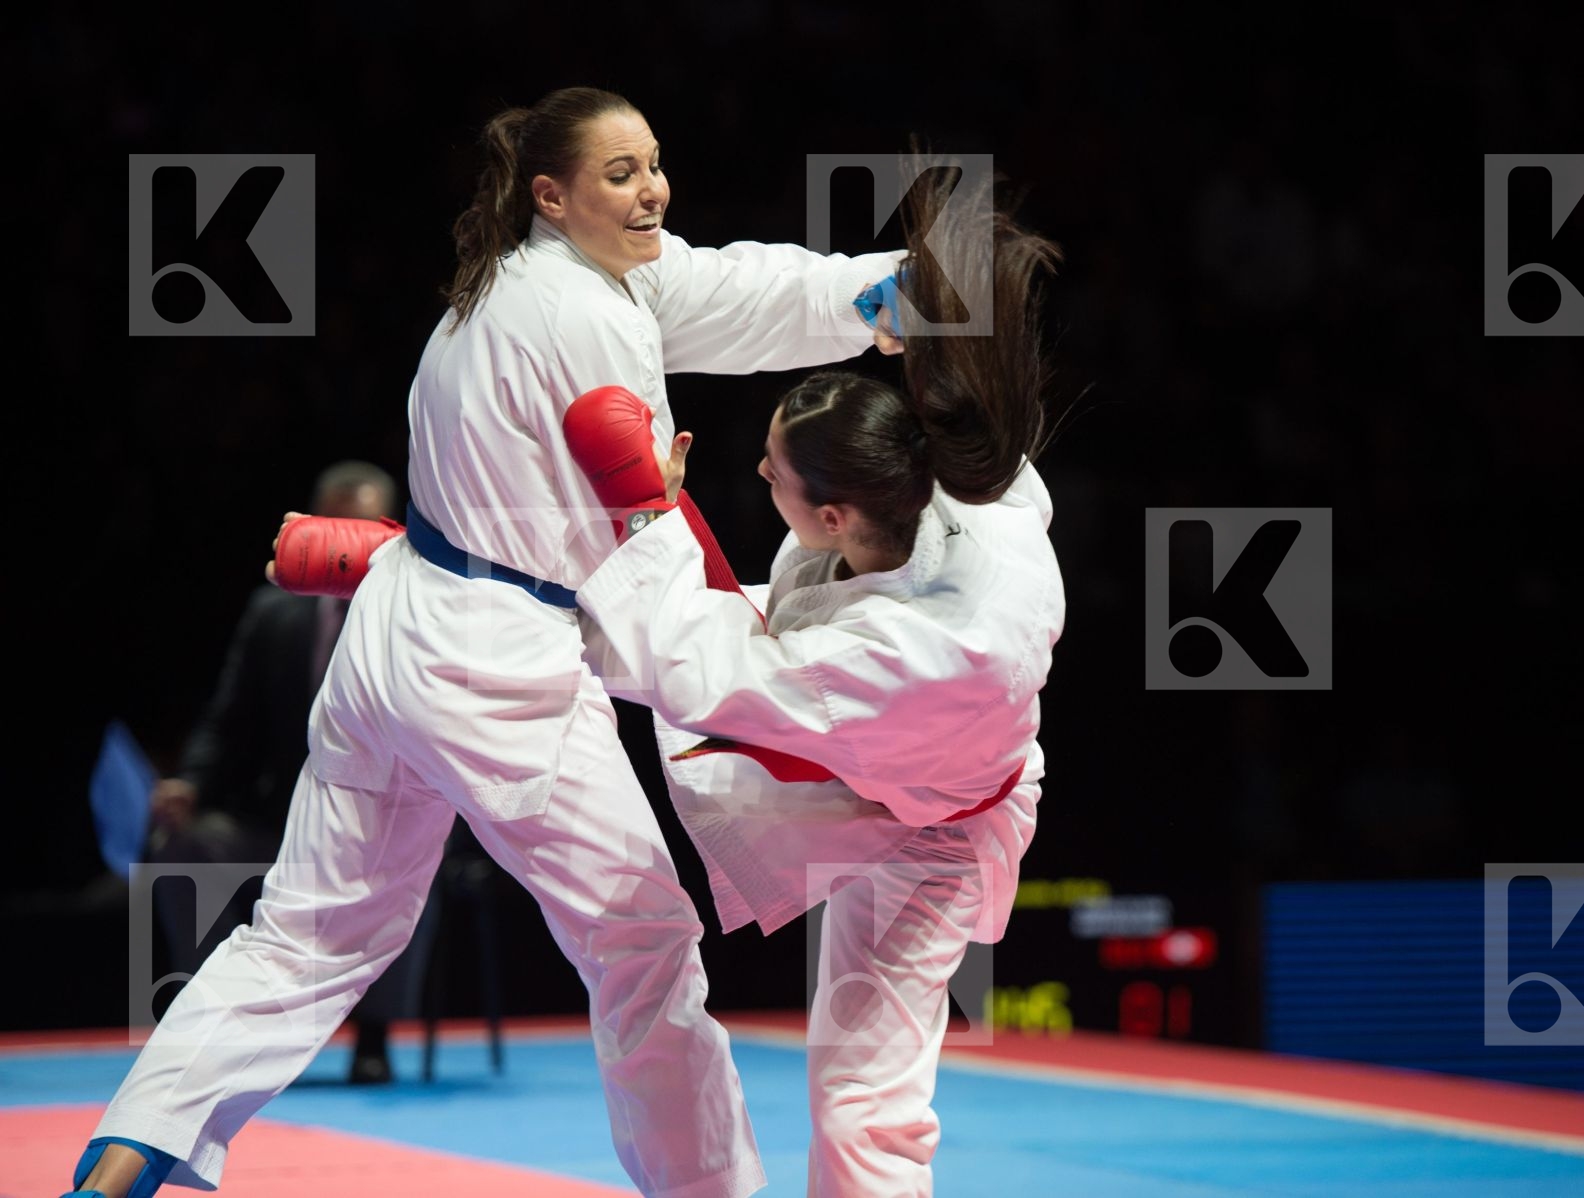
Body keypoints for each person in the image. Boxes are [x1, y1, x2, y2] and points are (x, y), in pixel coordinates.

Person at [66, 86, 901, 1198]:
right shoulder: (590, 320)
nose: (650, 187)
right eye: (619, 173)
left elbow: (729, 288)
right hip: (496, 663)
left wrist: (872, 293)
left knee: (304, 933)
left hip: (393, 641)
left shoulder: (516, 281)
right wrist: (766, 690)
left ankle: (121, 1159)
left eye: (653, 163)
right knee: (644, 941)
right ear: (552, 194)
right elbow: (641, 553)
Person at [269, 159, 1063, 1198]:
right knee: (625, 620)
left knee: (864, 1101)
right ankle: (413, 565)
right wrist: (928, 286)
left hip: (930, 820)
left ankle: (406, 566)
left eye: (771, 475)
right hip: (862, 747)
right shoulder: (952, 485)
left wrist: (643, 506)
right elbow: (704, 631)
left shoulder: (930, 645)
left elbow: (693, 665)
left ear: (833, 517)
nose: (758, 477)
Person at [145, 460, 429, 1086]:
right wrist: (189, 784)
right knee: (189, 847)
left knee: (420, 853)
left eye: (368, 531)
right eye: (340, 529)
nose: (353, 546)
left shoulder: (424, 613)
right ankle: (209, 1027)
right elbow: (226, 718)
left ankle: (374, 1039)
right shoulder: (274, 615)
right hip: (279, 820)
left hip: (387, 821)